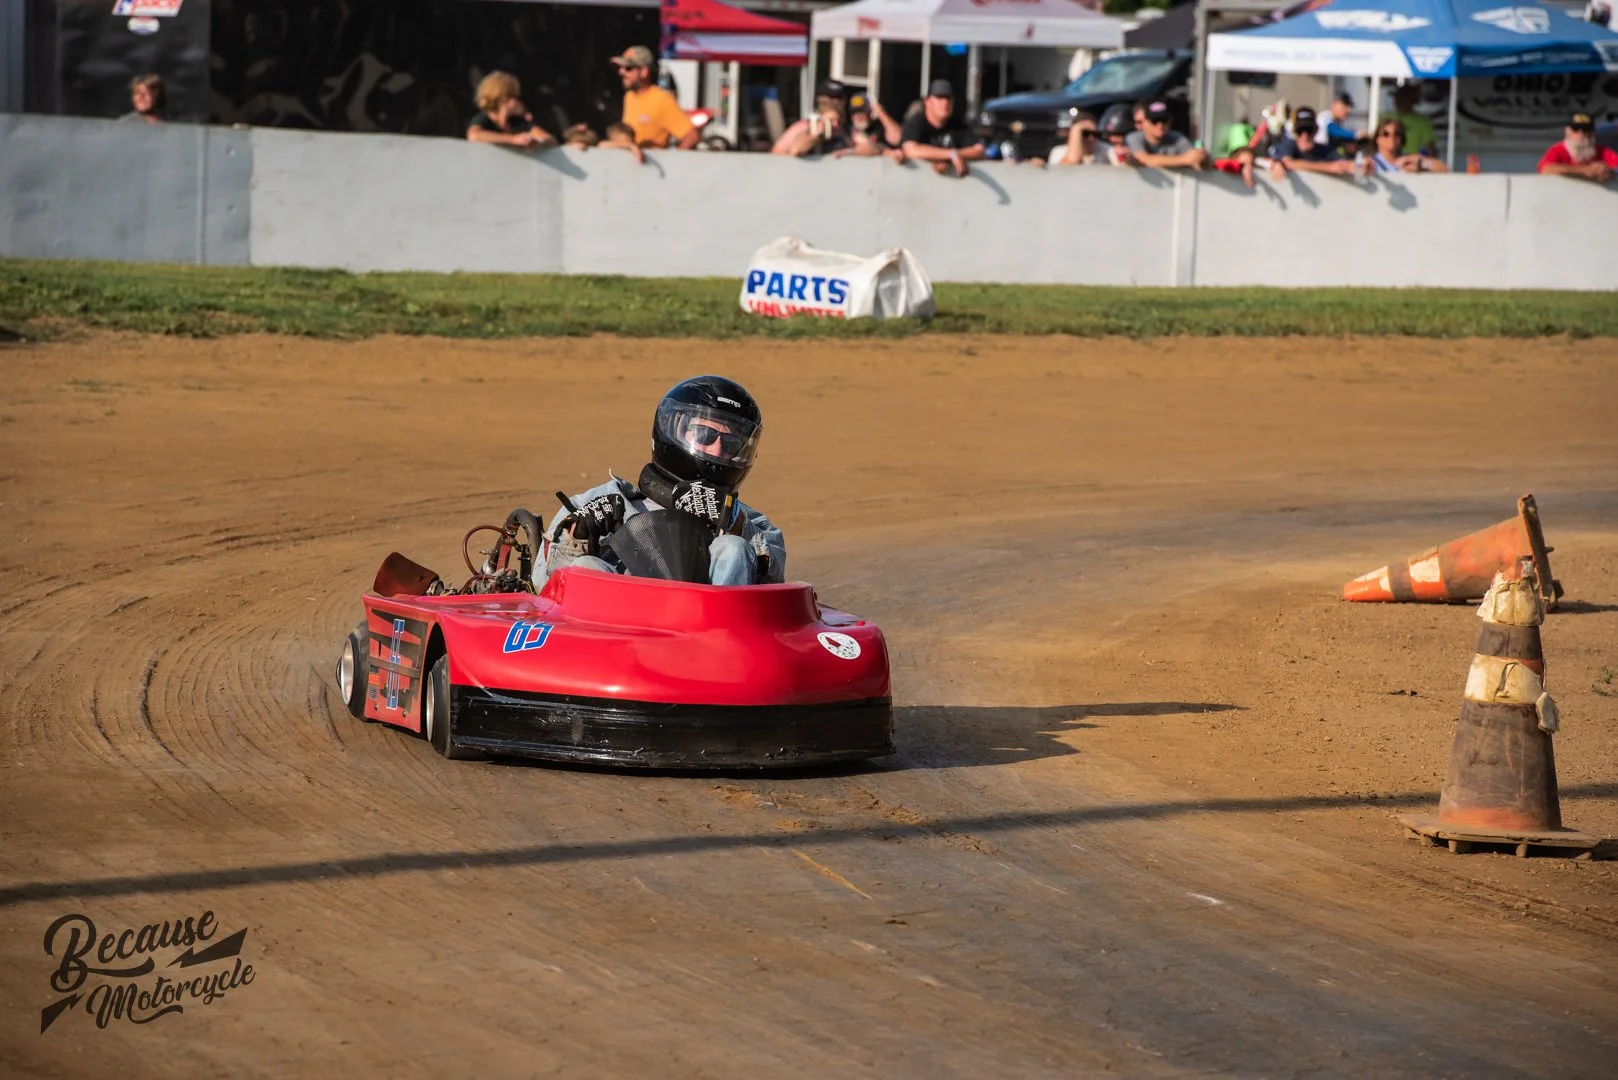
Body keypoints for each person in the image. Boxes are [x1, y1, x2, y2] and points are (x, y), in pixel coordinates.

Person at [541, 376, 785, 588]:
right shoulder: (596, 502)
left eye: (731, 443)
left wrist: (733, 521)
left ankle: (722, 626)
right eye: (705, 435)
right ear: (672, 428)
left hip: (711, 622)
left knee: (734, 548)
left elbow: (777, 585)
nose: (717, 449)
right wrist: (578, 536)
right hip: (621, 620)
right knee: (586, 567)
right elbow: (541, 582)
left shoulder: (749, 522)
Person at [613, 45, 698, 150]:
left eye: (628, 68)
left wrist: (674, 158)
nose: (621, 72)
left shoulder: (662, 99)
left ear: (644, 72)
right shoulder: (629, 97)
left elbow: (691, 136)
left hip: (650, 160)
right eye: (620, 68)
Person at [899, 79, 985, 177]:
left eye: (948, 98)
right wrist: (950, 155)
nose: (945, 102)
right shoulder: (916, 122)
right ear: (927, 101)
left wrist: (953, 156)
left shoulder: (958, 126)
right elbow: (910, 150)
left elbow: (979, 151)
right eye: (939, 97)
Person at [466, 72, 556, 148]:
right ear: (502, 98)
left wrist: (535, 145)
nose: (517, 101)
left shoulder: (517, 121)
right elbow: (474, 135)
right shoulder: (484, 118)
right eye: (512, 95)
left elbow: (551, 140)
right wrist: (513, 139)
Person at [1267, 107, 1355, 178]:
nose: (1305, 135)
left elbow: (1346, 164)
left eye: (1309, 129)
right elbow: (1289, 163)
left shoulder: (1326, 150)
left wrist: (1357, 166)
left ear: (1316, 130)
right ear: (1294, 131)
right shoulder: (1288, 145)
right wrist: (1329, 167)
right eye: (1300, 130)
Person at [1123, 99, 1209, 170]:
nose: (1160, 125)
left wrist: (1201, 158)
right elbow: (1146, 160)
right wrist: (1184, 159)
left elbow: (1194, 159)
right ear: (1144, 122)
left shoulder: (1177, 137)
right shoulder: (1134, 138)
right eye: (1154, 121)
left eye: (1164, 120)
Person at [1537, 112, 1618, 183]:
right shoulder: (1558, 150)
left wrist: (1610, 172)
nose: (1581, 133)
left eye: (1586, 129)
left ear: (1592, 132)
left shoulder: (1602, 151)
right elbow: (1546, 169)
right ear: (1568, 132)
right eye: (1576, 129)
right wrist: (1585, 170)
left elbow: (1616, 166)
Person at [1354, 119, 1448, 175]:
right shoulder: (1371, 161)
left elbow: (1444, 169)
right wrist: (1364, 169)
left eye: (1397, 134)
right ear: (1377, 139)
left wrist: (1420, 163)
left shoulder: (1410, 160)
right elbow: (1357, 172)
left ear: (1401, 138)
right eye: (1385, 134)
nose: (1392, 137)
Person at [773, 94, 851, 157]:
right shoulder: (803, 127)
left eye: (838, 121)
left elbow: (856, 148)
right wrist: (815, 133)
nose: (835, 124)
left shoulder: (841, 134)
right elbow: (795, 150)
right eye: (831, 120)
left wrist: (847, 152)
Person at [834, 92, 903, 159]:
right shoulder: (847, 130)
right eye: (854, 112)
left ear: (870, 112)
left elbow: (897, 138)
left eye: (862, 112)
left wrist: (881, 114)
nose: (858, 116)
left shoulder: (879, 127)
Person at [1393, 82, 1437, 157]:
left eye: (1401, 98)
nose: (1397, 101)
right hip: (1387, 162)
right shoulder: (1386, 117)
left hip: (1411, 161)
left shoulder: (1422, 122)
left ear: (1411, 101)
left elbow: (1430, 149)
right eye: (1396, 98)